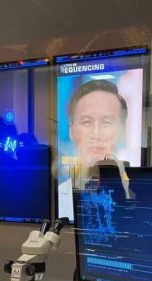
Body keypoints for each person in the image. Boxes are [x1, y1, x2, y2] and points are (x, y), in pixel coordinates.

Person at [59, 79, 130, 219]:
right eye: (86, 122)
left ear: (123, 131)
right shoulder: (59, 195)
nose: (96, 134)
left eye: (106, 122)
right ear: (71, 131)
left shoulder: (139, 194)